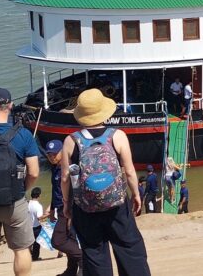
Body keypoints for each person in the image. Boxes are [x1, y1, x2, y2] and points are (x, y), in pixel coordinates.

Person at [60, 88, 151, 275]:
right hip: (117, 204)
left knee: (94, 253)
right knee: (129, 248)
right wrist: (135, 195)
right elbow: (130, 172)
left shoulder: (71, 141)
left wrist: (67, 205)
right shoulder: (117, 135)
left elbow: (64, 178)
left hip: (85, 208)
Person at [0, 87, 40, 276]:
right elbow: (33, 172)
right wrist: (23, 189)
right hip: (15, 200)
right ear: (10, 105)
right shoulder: (23, 135)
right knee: (21, 249)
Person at [45, 139, 82, 276]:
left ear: (62, 152)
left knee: (58, 241)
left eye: (55, 154)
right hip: (60, 208)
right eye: (49, 155)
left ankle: (83, 259)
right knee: (70, 239)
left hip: (68, 209)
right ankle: (71, 270)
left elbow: (73, 191)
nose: (52, 157)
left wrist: (71, 214)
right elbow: (56, 190)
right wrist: (52, 208)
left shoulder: (67, 169)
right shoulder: (55, 168)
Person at [27, 187, 44, 261]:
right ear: (39, 195)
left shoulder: (27, 203)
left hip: (28, 226)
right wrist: (48, 215)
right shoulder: (38, 206)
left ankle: (27, 256)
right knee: (37, 243)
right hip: (36, 227)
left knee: (28, 243)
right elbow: (39, 218)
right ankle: (35, 257)